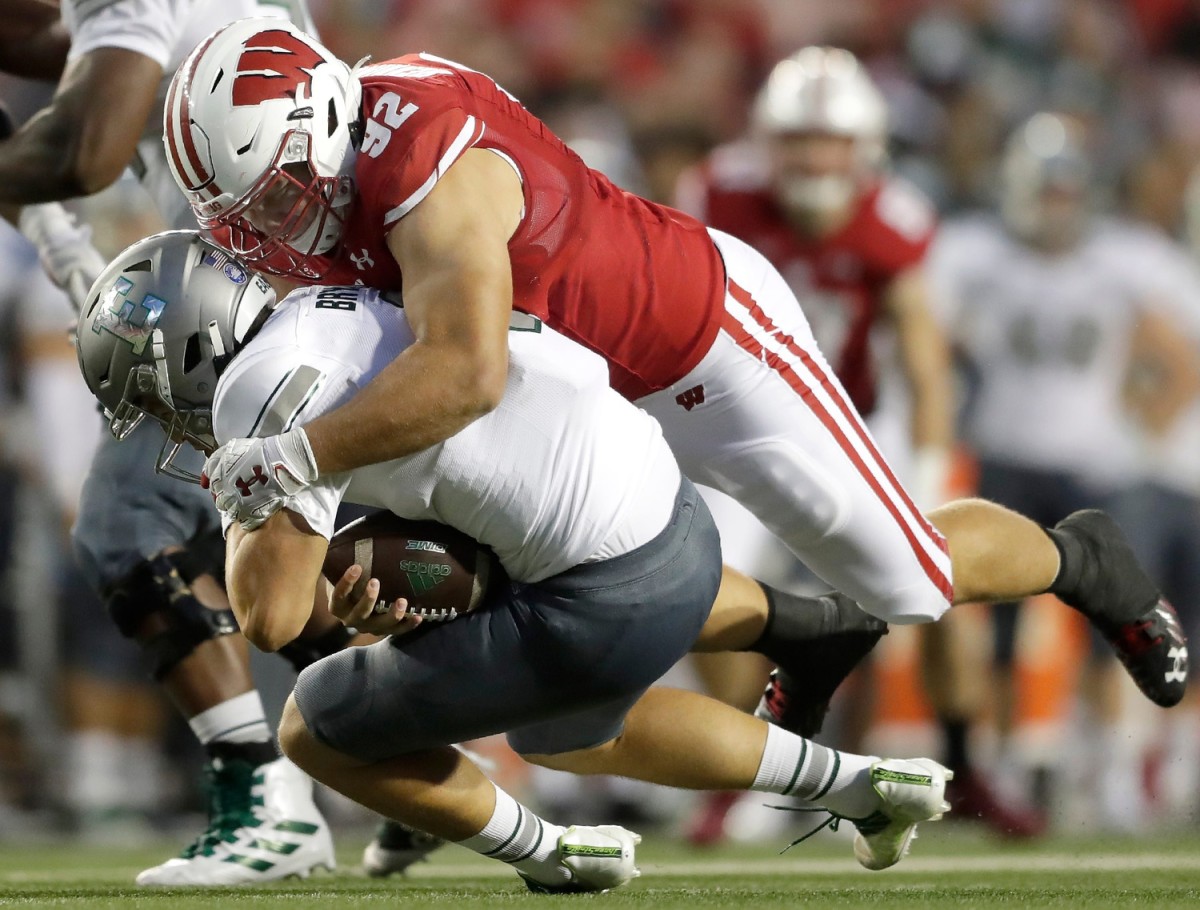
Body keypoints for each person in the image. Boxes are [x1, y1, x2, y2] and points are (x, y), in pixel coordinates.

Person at [171, 19, 1188, 724]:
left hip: (704, 351)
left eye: (276, 191)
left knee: (910, 579)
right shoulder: (338, 154)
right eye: (247, 209)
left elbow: (466, 373)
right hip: (591, 389)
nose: (270, 225)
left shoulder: (428, 161)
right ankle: (805, 636)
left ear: (326, 116)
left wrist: (296, 455)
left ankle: (1083, 560)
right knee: (598, 576)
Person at [77, 228, 959, 889]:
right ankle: (865, 784)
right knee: (565, 728)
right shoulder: (327, 301)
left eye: (151, 394)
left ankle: (553, 856)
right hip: (677, 517)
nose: (165, 419)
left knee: (314, 724)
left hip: (595, 592)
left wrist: (246, 499)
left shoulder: (257, 388)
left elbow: (269, 618)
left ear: (189, 349)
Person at [0, 0, 346, 885]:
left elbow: (85, 149)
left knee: (124, 522)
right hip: (321, 280)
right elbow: (59, 42)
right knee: (313, 558)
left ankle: (270, 801)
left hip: (266, 288)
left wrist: (40, 198)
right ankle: (407, 744)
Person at [675, 46, 1043, 838]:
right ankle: (743, 771)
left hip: (856, 425)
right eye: (798, 138)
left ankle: (964, 756)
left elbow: (924, 356)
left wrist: (932, 464)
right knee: (699, 582)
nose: (812, 157)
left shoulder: (892, 218)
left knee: (942, 587)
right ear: (768, 140)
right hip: (740, 422)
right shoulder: (719, 194)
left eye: (829, 140)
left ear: (864, 147)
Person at [930, 112, 1200, 829]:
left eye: (1065, 188)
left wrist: (1146, 438)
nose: (1055, 202)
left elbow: (1178, 358)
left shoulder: (1118, 259)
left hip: (1094, 466)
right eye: (1045, 188)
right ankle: (1005, 760)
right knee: (992, 622)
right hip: (1004, 459)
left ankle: (1101, 758)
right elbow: (928, 332)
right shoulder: (976, 252)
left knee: (1114, 622)